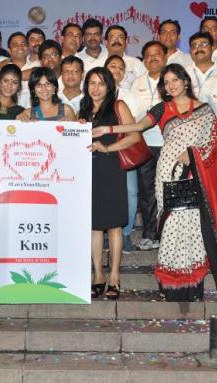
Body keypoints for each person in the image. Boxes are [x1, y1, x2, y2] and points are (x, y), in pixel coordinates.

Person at [93, 63, 217, 306]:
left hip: (194, 173)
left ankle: (192, 281)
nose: (171, 85)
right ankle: (171, 282)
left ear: (185, 81)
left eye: (175, 80)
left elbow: (215, 144)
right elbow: (138, 126)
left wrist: (194, 153)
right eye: (166, 83)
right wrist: (109, 128)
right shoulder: (162, 108)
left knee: (192, 225)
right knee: (172, 224)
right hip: (168, 172)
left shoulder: (204, 109)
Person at [81, 67, 141, 299]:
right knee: (94, 226)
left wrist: (107, 148)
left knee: (114, 225)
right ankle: (98, 276)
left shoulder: (118, 106)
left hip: (112, 169)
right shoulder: (84, 110)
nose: (96, 88)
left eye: (101, 83)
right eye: (92, 83)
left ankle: (114, 276)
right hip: (89, 171)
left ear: (109, 86)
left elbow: (135, 136)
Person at [127, 41, 168, 251]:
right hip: (145, 143)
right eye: (148, 55)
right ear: (144, 60)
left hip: (169, 144)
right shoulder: (137, 82)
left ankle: (169, 234)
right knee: (146, 191)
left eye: (157, 54)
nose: (153, 58)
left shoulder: (172, 79)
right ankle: (150, 234)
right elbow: (133, 113)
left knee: (168, 191)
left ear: (165, 56)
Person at [105, 54, 137, 253]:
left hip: (124, 149)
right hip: (99, 151)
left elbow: (133, 126)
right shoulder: (93, 91)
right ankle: (102, 230)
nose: (116, 70)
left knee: (130, 193)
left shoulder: (129, 96)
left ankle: (125, 233)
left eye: (121, 67)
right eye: (112, 66)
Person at [104, 25, 146, 90]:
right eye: (112, 37)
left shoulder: (136, 63)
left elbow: (144, 87)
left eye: (120, 37)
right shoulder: (96, 64)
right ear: (106, 42)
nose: (116, 40)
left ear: (126, 42)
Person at [187, 32, 217, 99]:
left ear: (212, 48)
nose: (199, 49)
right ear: (190, 51)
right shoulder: (184, 73)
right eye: (194, 46)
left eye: (203, 44)